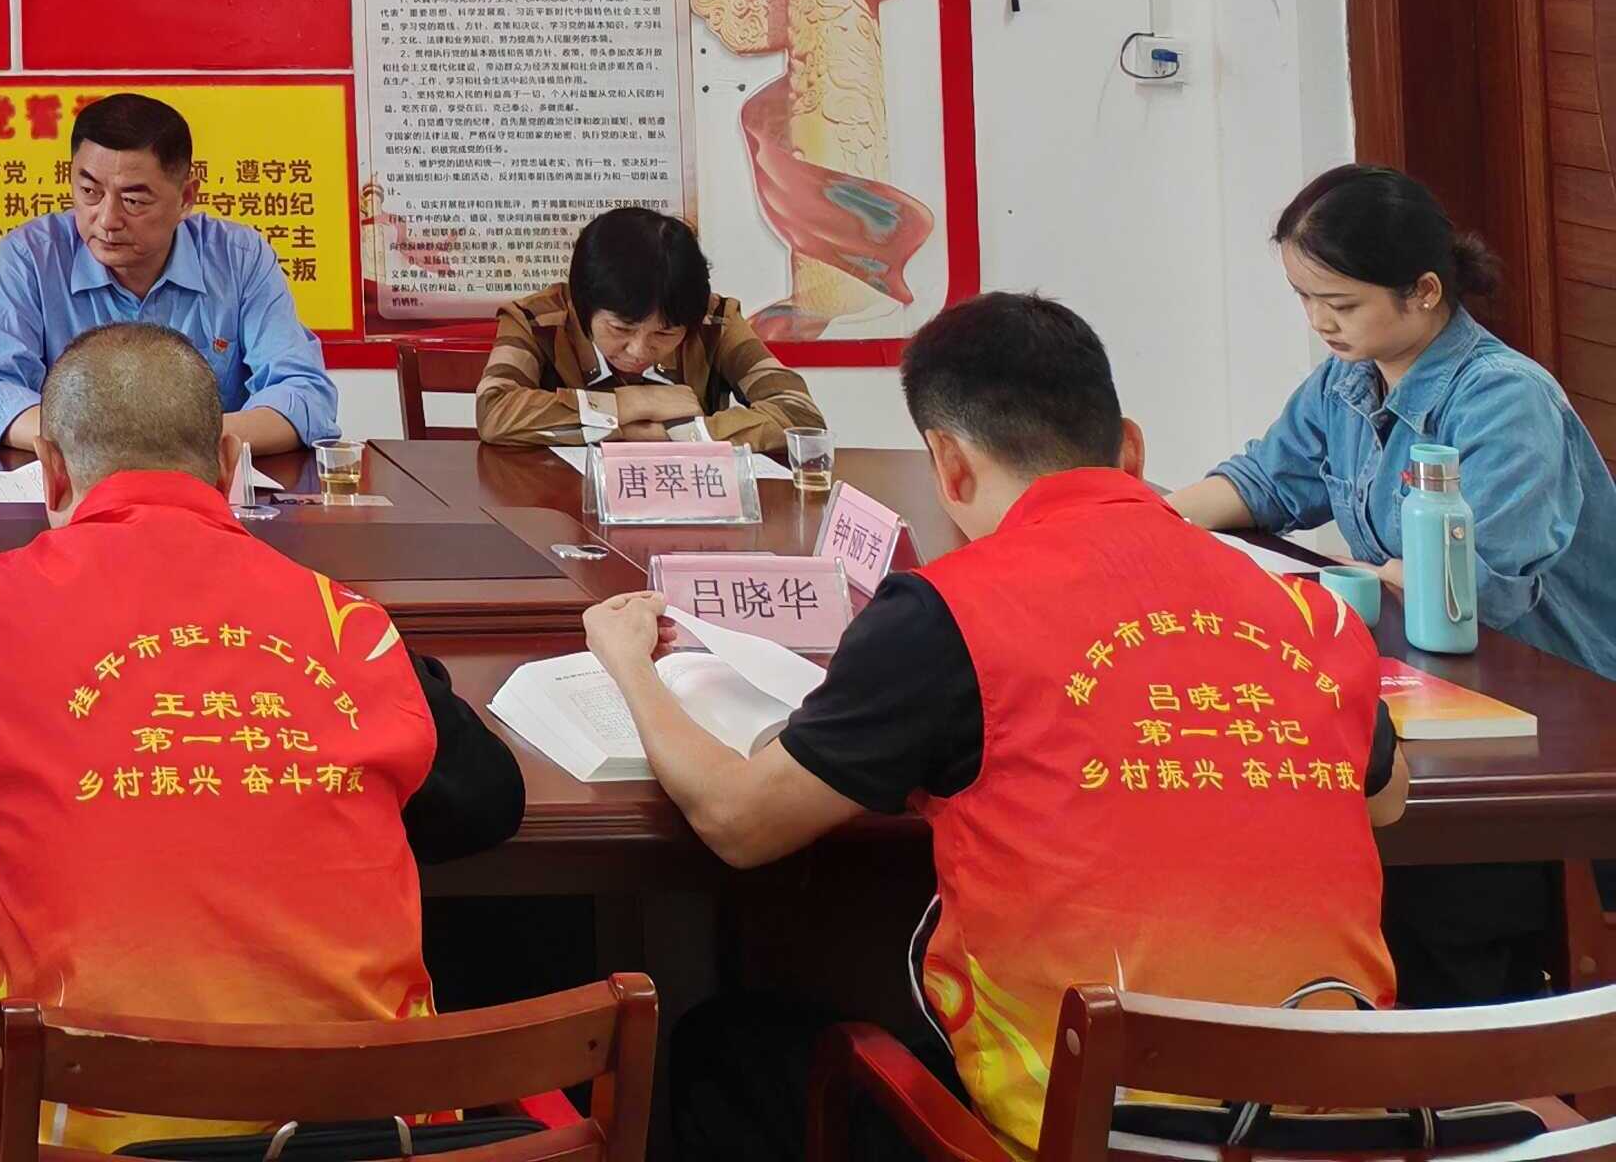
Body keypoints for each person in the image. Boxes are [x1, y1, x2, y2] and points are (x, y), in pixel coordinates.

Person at [600, 293, 1401, 1159]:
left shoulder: (950, 612)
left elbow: (739, 822)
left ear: (948, 464)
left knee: (724, 1050)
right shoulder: (1305, 610)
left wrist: (631, 665)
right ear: (1131, 448)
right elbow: (1384, 800)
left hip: (1082, 1136)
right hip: (1337, 1130)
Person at [0, 324, 523, 1151]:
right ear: (228, 463)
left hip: (91, 1138)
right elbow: (487, 801)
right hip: (374, 1133)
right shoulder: (347, 620)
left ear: (50, 470)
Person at [1171, 163, 1616, 682]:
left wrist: (1367, 578)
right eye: (1304, 296)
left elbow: (1475, 591)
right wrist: (1144, 519)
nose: (1319, 321)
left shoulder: (1506, 400)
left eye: (1342, 304)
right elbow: (1267, 482)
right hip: (1428, 665)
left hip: (1557, 685)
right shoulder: (1345, 378)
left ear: (1424, 291)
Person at [0, 94, 335, 458]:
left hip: (201, 487)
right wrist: (109, 445)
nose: (107, 220)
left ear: (186, 198)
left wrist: (170, 446)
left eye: (134, 200)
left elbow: (304, 395)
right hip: (73, 488)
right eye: (89, 191)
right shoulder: (31, 257)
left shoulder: (239, 258)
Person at [470, 207, 825, 454]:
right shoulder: (535, 321)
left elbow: (799, 414)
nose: (638, 350)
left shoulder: (714, 321)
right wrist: (632, 404)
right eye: (621, 328)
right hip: (559, 509)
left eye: (665, 334)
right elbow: (495, 410)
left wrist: (681, 434)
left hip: (688, 513)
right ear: (581, 303)